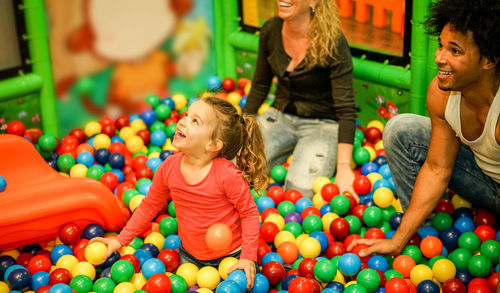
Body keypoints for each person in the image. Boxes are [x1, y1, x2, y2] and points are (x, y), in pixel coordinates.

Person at [348, 0, 500, 263]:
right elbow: (436, 168)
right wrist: (399, 240)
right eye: (441, 45)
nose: (439, 57)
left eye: (455, 51)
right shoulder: (441, 93)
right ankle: (428, 230)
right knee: (401, 130)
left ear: (489, 59)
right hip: (483, 180)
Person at [91, 97, 268, 290]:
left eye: (195, 121)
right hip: (190, 259)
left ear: (212, 145)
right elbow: (149, 205)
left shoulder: (227, 175)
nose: (183, 121)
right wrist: (119, 240)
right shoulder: (169, 167)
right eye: (186, 115)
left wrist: (248, 258)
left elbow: (249, 213)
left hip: (232, 259)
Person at [243, 0, 358, 199]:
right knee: (236, 170)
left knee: (298, 195)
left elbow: (346, 109)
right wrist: (241, 131)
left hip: (322, 124)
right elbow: (260, 85)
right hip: (279, 117)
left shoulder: (332, 41)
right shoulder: (271, 30)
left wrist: (344, 166)